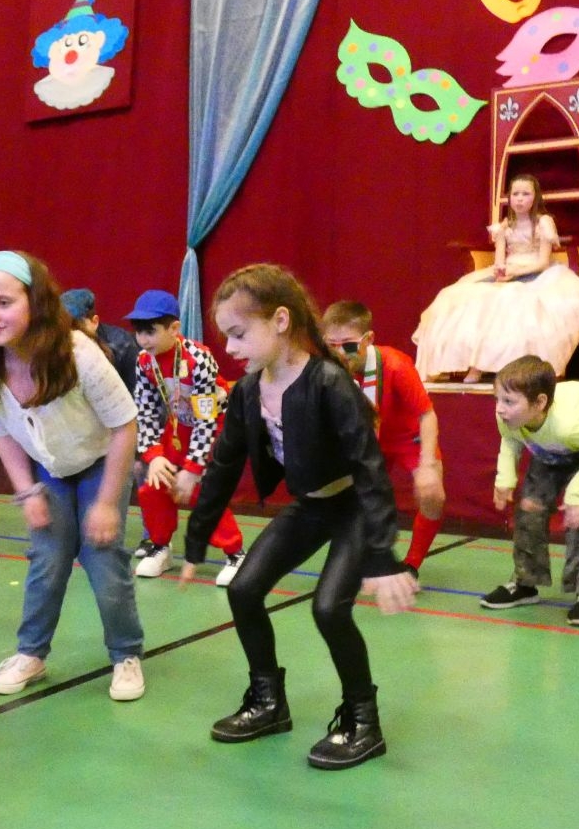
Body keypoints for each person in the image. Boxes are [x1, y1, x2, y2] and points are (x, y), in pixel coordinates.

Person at [178, 264, 416, 766]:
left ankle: (363, 721)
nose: (231, 348)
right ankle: (269, 703)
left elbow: (370, 468)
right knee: (244, 590)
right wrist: (196, 539)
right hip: (311, 505)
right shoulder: (247, 392)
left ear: (281, 320)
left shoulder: (328, 382)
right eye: (227, 336)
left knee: (329, 609)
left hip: (353, 507)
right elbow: (223, 466)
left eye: (239, 333)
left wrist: (381, 557)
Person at [0, 250, 146, 701]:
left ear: (36, 302)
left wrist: (107, 502)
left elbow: (124, 426)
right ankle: (31, 653)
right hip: (50, 468)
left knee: (103, 557)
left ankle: (125, 654)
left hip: (100, 460)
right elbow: (4, 435)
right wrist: (27, 492)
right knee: (47, 559)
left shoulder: (78, 353)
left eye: (5, 302)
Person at [481, 356, 579, 627]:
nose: (499, 409)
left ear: (539, 403)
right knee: (530, 507)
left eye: (509, 402)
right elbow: (511, 440)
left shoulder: (568, 423)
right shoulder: (509, 416)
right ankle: (525, 583)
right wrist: (505, 478)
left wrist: (578, 493)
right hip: (553, 446)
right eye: (497, 399)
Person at [413, 173, 579, 382]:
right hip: (509, 270)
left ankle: (515, 368)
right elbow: (500, 259)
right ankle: (475, 365)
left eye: (525, 194)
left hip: (537, 273)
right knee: (459, 296)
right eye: (515, 194)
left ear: (535, 197)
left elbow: (543, 262)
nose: (520, 199)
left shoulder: (543, 222)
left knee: (512, 302)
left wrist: (516, 273)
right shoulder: (505, 226)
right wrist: (501, 270)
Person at [123, 288, 245, 585]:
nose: (143, 340)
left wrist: (193, 467)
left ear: (174, 328)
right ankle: (160, 547)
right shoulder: (144, 361)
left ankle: (235, 553)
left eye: (150, 331)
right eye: (139, 332)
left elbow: (207, 418)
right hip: (177, 429)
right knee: (154, 486)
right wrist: (153, 455)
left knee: (203, 491)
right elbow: (145, 410)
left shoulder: (198, 359)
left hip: (214, 429)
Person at [321, 300, 446, 580]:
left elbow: (427, 414)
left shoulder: (396, 365)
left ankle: (412, 563)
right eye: (331, 344)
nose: (339, 352)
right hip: (367, 441)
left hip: (407, 437)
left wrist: (427, 466)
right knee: (351, 498)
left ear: (368, 339)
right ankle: (362, 556)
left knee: (433, 495)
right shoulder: (327, 368)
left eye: (348, 345)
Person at [60, 288, 137, 387]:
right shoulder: (57, 345)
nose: (72, 334)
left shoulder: (123, 344)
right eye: (65, 327)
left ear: (94, 322)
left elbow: (136, 391)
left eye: (77, 327)